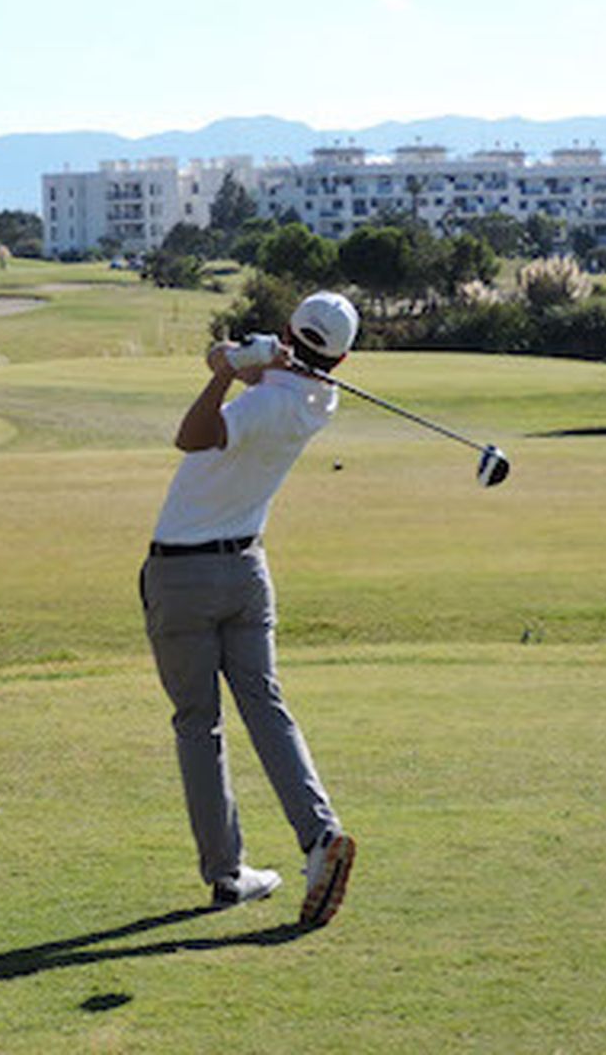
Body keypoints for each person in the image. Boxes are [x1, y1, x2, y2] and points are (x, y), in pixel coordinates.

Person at [139, 290, 359, 927]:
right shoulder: (321, 399)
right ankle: (320, 837)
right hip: (246, 572)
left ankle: (228, 875)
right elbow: (277, 373)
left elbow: (193, 436)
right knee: (265, 705)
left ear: (293, 329)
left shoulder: (259, 405)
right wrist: (252, 358)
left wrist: (221, 376)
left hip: (181, 572)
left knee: (198, 724)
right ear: (342, 360)